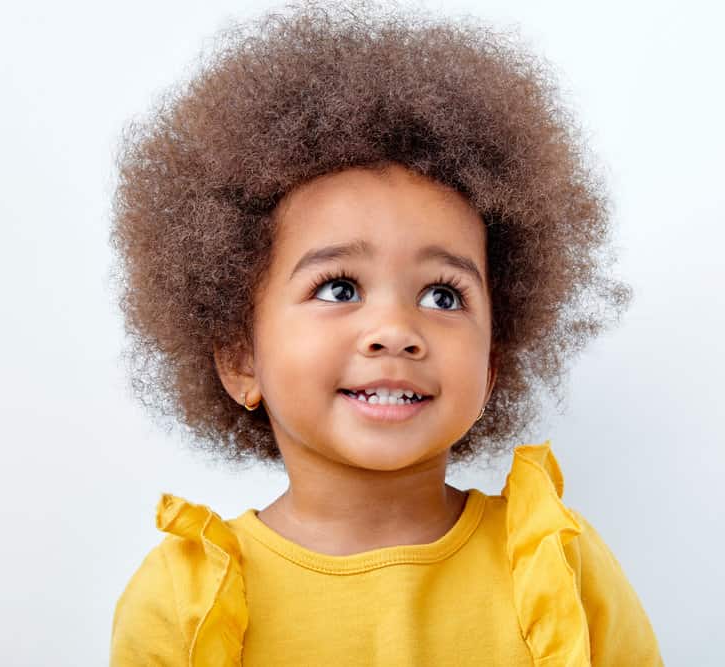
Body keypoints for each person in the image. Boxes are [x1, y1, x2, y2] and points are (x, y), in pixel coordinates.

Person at [108, 1, 662, 664]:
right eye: (338, 287)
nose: (396, 330)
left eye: (443, 294)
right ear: (239, 357)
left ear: (491, 362)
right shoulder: (183, 604)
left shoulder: (556, 567)